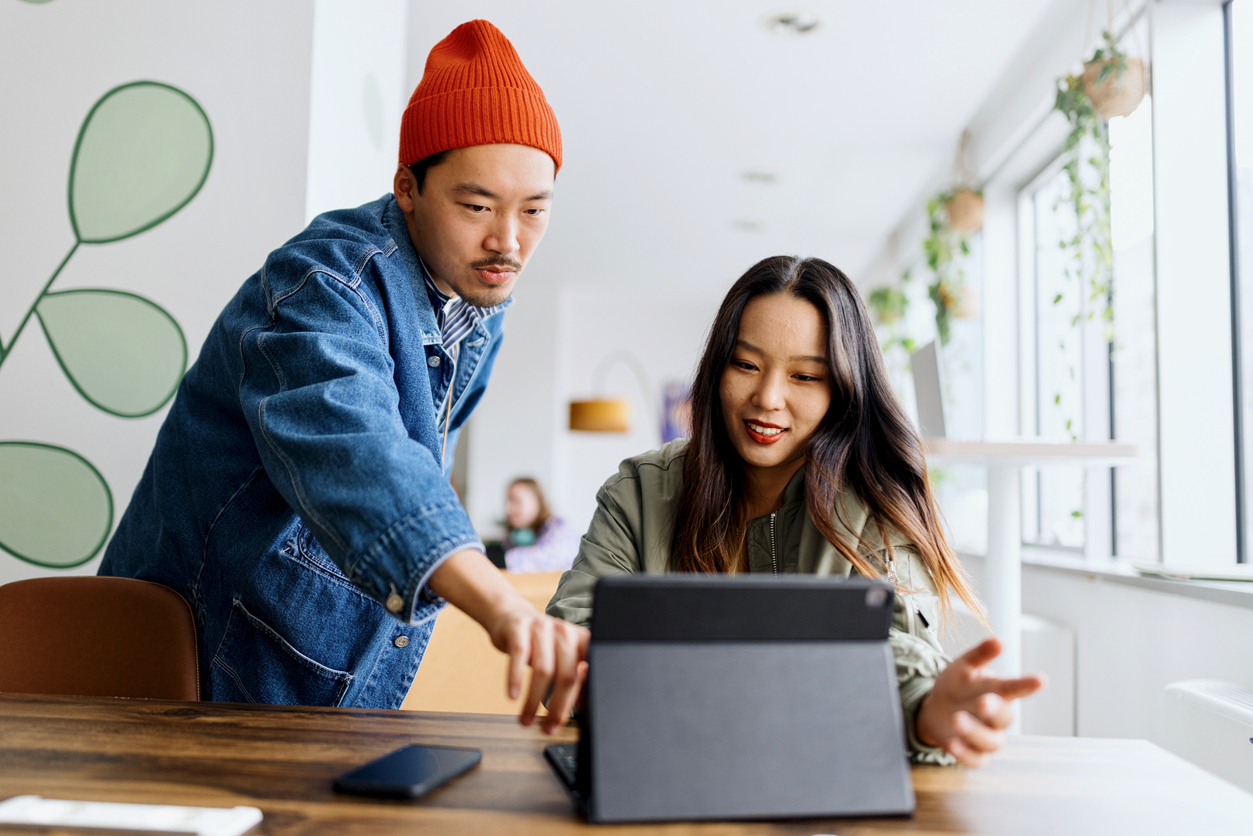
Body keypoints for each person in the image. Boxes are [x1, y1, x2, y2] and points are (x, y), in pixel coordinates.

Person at [100, 19, 587, 735]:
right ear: (408, 187)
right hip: (202, 675)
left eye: (534, 210)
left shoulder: (478, 303)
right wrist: (506, 607)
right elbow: (359, 454)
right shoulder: (320, 283)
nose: (507, 242)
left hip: (320, 677)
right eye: (477, 206)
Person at [547, 256, 1044, 766]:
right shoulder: (640, 489)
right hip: (659, 763)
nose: (768, 398)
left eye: (805, 375)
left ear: (845, 389)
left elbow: (892, 648)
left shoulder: (876, 502)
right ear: (717, 368)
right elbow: (573, 636)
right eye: (746, 365)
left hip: (811, 777)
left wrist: (925, 710)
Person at [503, 478, 579, 573]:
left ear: (537, 501)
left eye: (516, 501)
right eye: (507, 501)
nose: (508, 509)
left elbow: (553, 560)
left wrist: (504, 558)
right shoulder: (515, 536)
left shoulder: (559, 527)